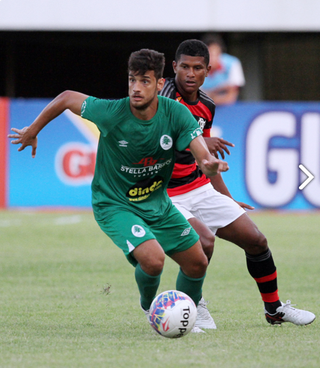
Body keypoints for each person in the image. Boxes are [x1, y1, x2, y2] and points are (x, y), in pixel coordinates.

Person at [8, 48, 229, 333]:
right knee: (153, 259)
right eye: (132, 80)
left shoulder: (176, 114)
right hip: (114, 204)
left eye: (145, 81)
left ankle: (187, 310)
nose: (136, 88)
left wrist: (210, 166)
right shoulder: (111, 112)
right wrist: (33, 129)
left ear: (160, 84)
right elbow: (65, 98)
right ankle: (151, 308)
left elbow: (202, 154)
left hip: (157, 203)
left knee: (197, 262)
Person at [159, 39, 315, 331]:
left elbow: (204, 159)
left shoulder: (206, 104)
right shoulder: (164, 96)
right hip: (166, 195)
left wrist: (227, 198)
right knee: (202, 243)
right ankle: (194, 306)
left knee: (256, 241)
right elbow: (159, 141)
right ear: (174, 67)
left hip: (198, 187)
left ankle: (274, 309)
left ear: (208, 71)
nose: (190, 74)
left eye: (197, 68)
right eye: (184, 67)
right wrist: (201, 141)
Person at [200, 33, 245, 105]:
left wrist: (212, 96)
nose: (213, 58)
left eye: (215, 54)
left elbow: (232, 97)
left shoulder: (233, 63)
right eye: (209, 54)